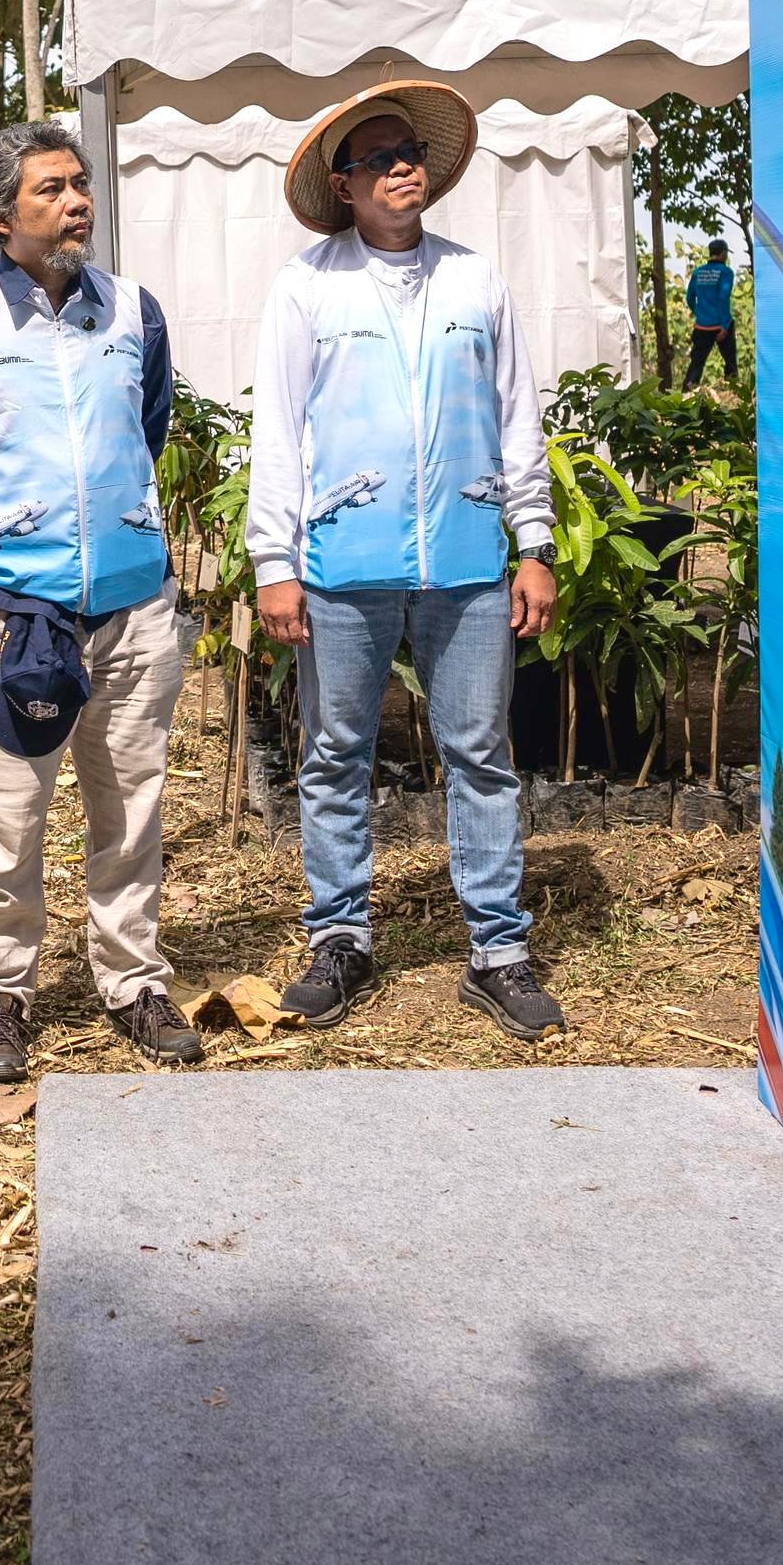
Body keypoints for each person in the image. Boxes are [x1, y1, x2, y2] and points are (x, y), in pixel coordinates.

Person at [246, 85, 570, 1045]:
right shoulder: (308, 287)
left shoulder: (476, 283)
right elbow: (280, 432)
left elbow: (518, 417)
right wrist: (275, 559)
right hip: (343, 566)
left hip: (469, 564)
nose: (400, 165)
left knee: (480, 752)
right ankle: (341, 937)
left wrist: (535, 544)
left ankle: (497, 950)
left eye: (408, 151)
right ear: (343, 187)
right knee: (336, 753)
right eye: (378, 156)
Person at [0, 120, 202, 1083]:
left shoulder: (135, 313)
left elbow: (142, 433)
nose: (77, 203)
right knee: (7, 816)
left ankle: (135, 982)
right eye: (52, 190)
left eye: (80, 184)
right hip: (12, 619)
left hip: (132, 610)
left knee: (131, 808)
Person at [681, 233, 737, 387]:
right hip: (720, 325)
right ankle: (734, 393)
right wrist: (725, 326)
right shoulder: (726, 273)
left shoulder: (698, 272)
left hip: (702, 326)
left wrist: (699, 313)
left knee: (697, 363)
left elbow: (690, 298)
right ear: (723, 253)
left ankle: (687, 393)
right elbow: (723, 298)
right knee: (730, 363)